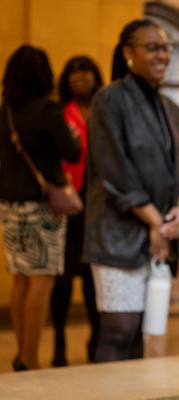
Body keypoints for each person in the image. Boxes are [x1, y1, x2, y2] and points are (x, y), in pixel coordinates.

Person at [84, 19, 179, 362]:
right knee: (118, 332)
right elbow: (113, 168)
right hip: (118, 232)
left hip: (158, 235)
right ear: (128, 52)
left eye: (166, 48)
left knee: (143, 336)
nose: (162, 55)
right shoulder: (109, 99)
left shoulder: (172, 109)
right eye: (153, 47)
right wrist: (154, 222)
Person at [0, 45, 82, 370]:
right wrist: (72, 133)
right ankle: (30, 358)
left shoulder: (4, 111)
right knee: (42, 281)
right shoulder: (47, 110)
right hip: (42, 208)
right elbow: (73, 153)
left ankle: (22, 352)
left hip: (8, 205)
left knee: (21, 278)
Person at [50, 56, 103, 367]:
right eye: (74, 72)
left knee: (93, 280)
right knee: (62, 280)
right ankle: (58, 342)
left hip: (96, 204)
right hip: (68, 204)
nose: (81, 77)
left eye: (87, 71)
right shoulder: (59, 113)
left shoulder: (104, 111)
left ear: (96, 77)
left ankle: (95, 341)